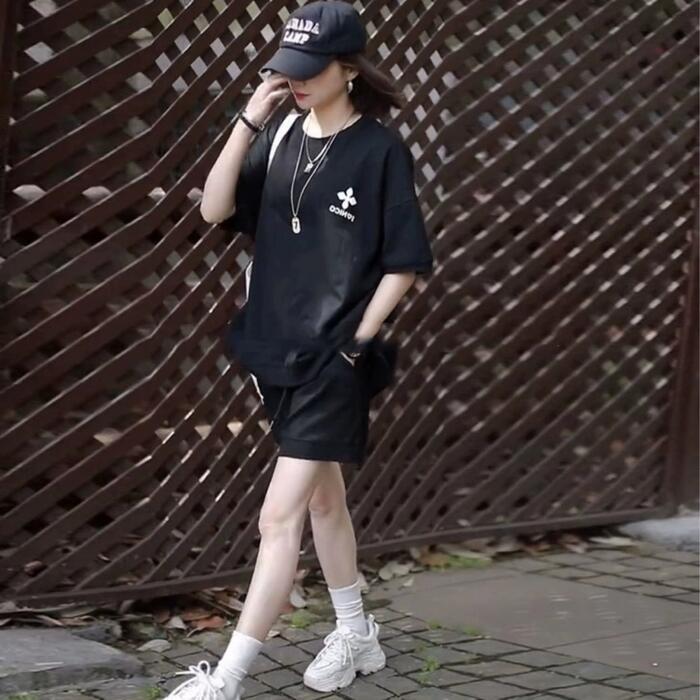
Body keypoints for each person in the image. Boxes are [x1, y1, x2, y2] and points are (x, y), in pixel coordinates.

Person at [168, 2, 434, 698]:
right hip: (272, 351)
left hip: (332, 360)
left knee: (278, 517)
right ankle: (355, 631)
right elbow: (214, 209)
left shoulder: (379, 150)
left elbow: (404, 262)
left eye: (311, 71)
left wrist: (358, 340)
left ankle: (226, 680)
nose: (296, 81)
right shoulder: (283, 132)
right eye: (289, 69)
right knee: (323, 506)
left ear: (350, 70)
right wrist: (248, 120)